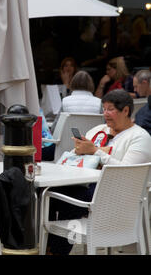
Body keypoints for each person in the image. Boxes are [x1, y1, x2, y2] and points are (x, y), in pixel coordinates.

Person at [47, 89, 151, 255]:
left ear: (126, 110)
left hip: (118, 197)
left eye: (111, 109)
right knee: (48, 194)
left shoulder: (140, 137)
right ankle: (48, 247)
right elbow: (80, 159)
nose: (106, 114)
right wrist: (79, 151)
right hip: (90, 188)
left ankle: (55, 251)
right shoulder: (98, 130)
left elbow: (126, 174)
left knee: (69, 201)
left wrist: (96, 152)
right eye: (104, 109)